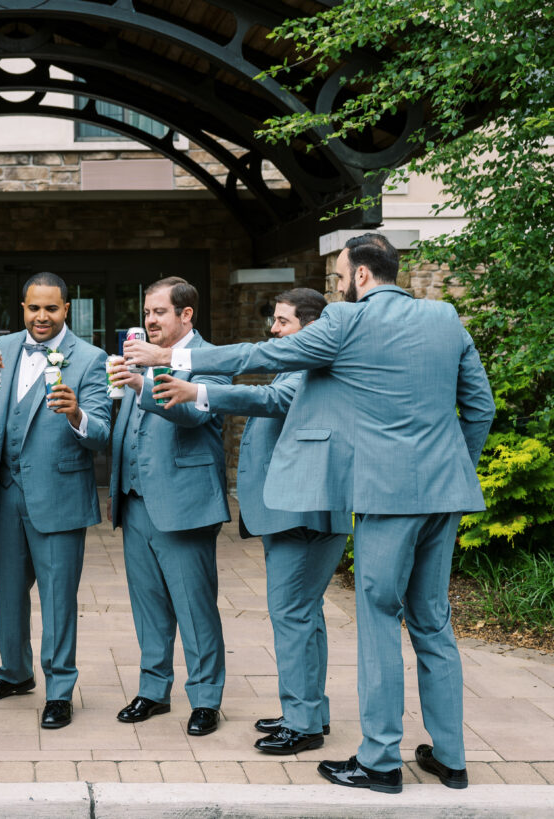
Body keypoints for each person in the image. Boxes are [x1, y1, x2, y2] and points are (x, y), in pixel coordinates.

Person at [126, 234, 494, 793]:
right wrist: (450, 473)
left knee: (378, 618)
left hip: (384, 497)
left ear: (362, 275)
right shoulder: (445, 317)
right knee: (432, 621)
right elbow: (480, 407)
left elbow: (260, 357)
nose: (337, 287)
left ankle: (380, 762)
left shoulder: (346, 320)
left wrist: (170, 357)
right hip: (445, 493)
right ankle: (451, 758)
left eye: (339, 276)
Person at [153, 287, 351, 754]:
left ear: (310, 326)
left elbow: (272, 399)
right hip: (295, 509)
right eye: (274, 320)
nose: (273, 329)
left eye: (283, 321)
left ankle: (302, 725)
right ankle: (310, 711)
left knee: (292, 614)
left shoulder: (314, 363)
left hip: (301, 513)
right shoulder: (303, 361)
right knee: (305, 615)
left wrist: (198, 390)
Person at [0, 272, 110, 729]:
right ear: (23, 308)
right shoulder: (1, 349)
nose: (41, 316)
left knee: (58, 598)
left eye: (51, 308)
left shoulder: (91, 359)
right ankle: (15, 672)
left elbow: (101, 433)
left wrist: (77, 414)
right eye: (34, 308)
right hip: (5, 494)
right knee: (8, 592)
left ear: (66, 308)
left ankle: (60, 690)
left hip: (59, 497)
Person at [107, 277, 230, 737]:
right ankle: (153, 690)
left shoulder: (210, 358)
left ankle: (206, 699)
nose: (150, 320)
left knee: (195, 608)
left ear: (186, 314)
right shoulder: (140, 356)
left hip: (184, 502)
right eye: (147, 312)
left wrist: (143, 383)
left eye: (159, 312)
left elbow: (195, 414)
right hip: (136, 500)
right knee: (148, 606)